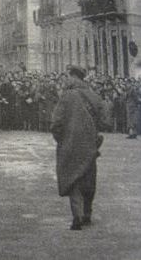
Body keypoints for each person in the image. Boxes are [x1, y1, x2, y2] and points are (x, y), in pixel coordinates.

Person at [51, 65, 109, 230]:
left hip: (70, 145)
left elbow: (56, 123)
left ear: (73, 77)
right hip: (90, 144)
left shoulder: (66, 96)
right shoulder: (94, 95)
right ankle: (87, 213)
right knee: (89, 178)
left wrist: (61, 139)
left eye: (68, 76)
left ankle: (77, 216)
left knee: (73, 178)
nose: (66, 79)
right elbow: (105, 121)